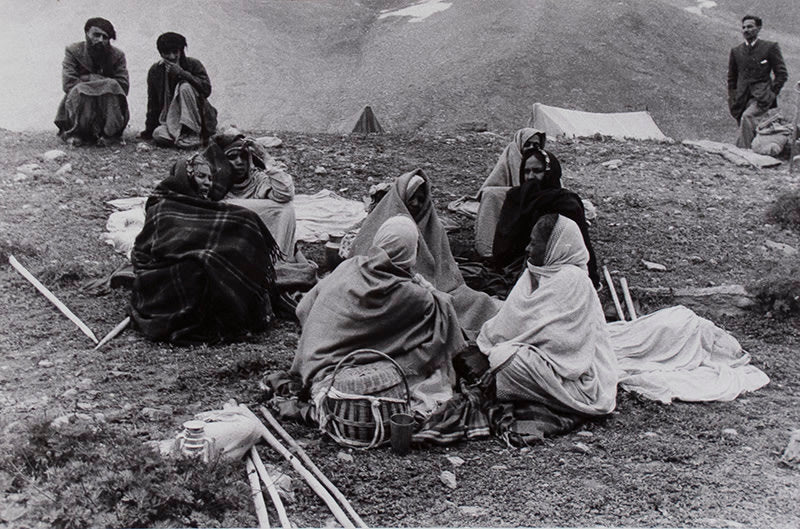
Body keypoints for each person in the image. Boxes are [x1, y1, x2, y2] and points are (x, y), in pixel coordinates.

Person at [291, 215, 466, 414]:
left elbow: (303, 308)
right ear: (411, 250)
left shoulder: (351, 265)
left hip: (310, 360)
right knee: (434, 358)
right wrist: (428, 288)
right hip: (340, 372)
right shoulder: (412, 294)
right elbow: (445, 313)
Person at [130, 151, 280, 344]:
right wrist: (195, 252)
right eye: (201, 176)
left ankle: (245, 308)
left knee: (224, 252)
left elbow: (211, 234)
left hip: (193, 259)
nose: (208, 183)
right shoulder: (161, 206)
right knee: (197, 270)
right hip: (164, 270)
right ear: (185, 177)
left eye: (210, 178)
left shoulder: (206, 205)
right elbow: (149, 247)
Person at [478, 214, 618, 420]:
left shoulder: (571, 279)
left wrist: (519, 342)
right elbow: (509, 322)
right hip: (537, 356)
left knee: (505, 359)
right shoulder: (536, 273)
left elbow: (562, 344)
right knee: (501, 354)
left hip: (568, 372)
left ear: (554, 247)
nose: (528, 249)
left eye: (534, 243)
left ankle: (557, 397)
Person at [349, 169, 502, 338]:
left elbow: (447, 272)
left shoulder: (433, 227)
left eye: (421, 199)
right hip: (398, 291)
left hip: (436, 288)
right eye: (411, 197)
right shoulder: (385, 226)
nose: (415, 203)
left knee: (481, 301)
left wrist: (438, 289)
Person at [491, 145, 600, 288]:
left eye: (537, 171)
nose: (530, 177)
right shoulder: (515, 197)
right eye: (526, 171)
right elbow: (502, 243)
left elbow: (579, 244)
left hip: (556, 268)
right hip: (515, 267)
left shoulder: (565, 202)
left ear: (550, 172)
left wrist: (590, 277)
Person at [210, 127, 297, 258]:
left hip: (257, 246)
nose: (239, 162)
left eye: (244, 156)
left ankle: (279, 260)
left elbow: (285, 194)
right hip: (225, 246)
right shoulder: (212, 182)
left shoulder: (257, 180)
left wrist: (264, 155)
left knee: (286, 209)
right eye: (232, 157)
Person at [55, 17, 129, 146]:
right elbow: (68, 83)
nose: (100, 40)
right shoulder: (73, 51)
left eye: (105, 37)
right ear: (87, 33)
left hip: (107, 108)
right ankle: (78, 133)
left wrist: (87, 79)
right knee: (83, 90)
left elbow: (123, 86)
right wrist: (102, 82)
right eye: (96, 35)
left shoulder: (118, 55)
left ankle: (109, 134)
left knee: (112, 87)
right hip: (81, 105)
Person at [140, 32, 218, 149]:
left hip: (198, 120)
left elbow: (206, 90)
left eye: (175, 52)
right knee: (158, 134)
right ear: (160, 53)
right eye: (167, 53)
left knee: (185, 87)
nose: (171, 57)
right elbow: (153, 103)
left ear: (181, 51)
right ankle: (187, 140)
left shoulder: (193, 64)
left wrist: (182, 73)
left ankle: (194, 134)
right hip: (173, 122)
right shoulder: (155, 71)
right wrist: (148, 131)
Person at [475, 128, 545, 257]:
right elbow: (495, 182)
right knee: (491, 195)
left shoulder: (542, 159)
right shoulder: (511, 154)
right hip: (515, 196)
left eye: (536, 145)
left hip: (536, 197)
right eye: (527, 144)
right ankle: (487, 250)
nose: (531, 148)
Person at [727, 15, 788, 149]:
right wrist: (732, 98)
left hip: (761, 97)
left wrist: (771, 93)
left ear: (758, 28)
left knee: (747, 117)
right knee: (745, 125)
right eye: (743, 27)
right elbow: (732, 78)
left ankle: (744, 153)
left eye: (750, 26)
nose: (746, 30)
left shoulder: (770, 47)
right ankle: (752, 151)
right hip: (741, 98)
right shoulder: (736, 51)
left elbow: (782, 74)